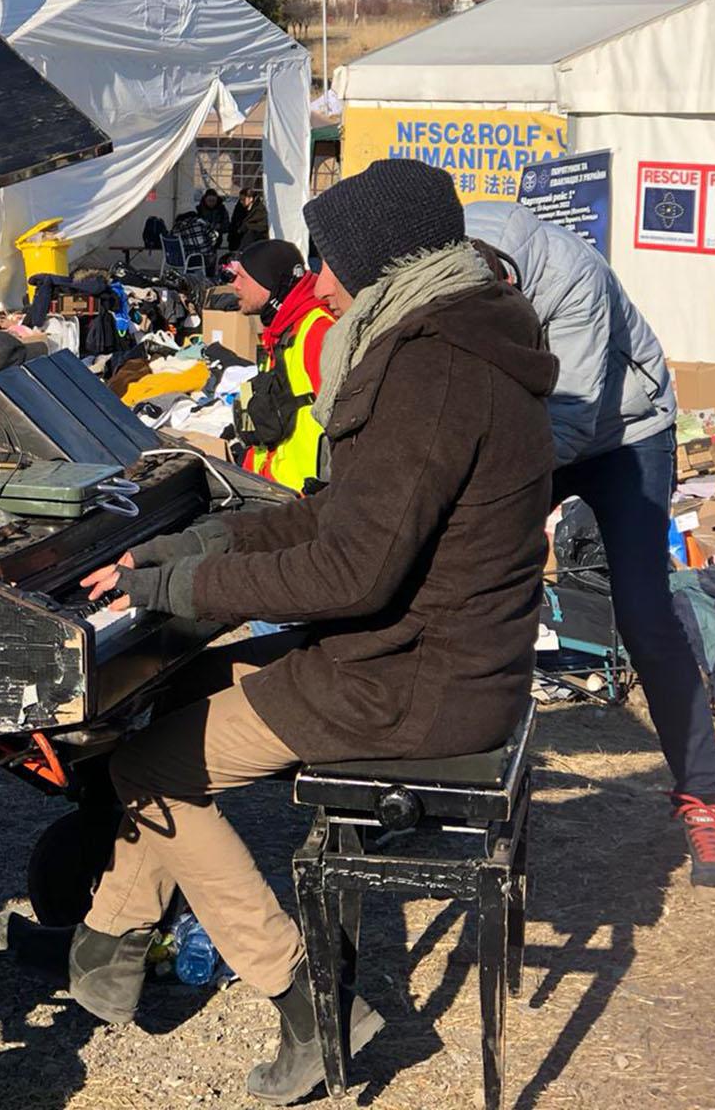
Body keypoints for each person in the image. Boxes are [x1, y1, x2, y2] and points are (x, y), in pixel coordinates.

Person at [71, 158, 557, 1105]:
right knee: (174, 691)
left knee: (154, 766)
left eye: (332, 261)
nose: (318, 283)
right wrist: (209, 532)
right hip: (430, 652)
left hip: (415, 681)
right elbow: (336, 515)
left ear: (381, 257)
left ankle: (312, 1004)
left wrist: (180, 584)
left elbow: (349, 570)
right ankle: (107, 940)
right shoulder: (456, 334)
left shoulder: (432, 370)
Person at [464, 200, 715, 898]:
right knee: (466, 589)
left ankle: (704, 799)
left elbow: (571, 415)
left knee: (646, 616)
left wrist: (513, 487)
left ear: (512, 287)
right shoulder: (449, 259)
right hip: (537, 429)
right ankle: (447, 779)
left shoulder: (571, 275)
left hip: (625, 432)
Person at [225, 239, 333, 492]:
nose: (234, 284)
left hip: (301, 503)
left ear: (268, 280)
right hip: (271, 490)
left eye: (242, 277)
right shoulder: (281, 329)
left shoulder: (318, 330)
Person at [228, 185, 270, 253]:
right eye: (240, 199)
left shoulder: (259, 210)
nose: (241, 201)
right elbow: (234, 222)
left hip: (254, 238)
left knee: (250, 234)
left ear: (251, 199)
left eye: (243, 199)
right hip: (240, 236)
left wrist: (247, 226)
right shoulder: (239, 208)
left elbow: (263, 226)